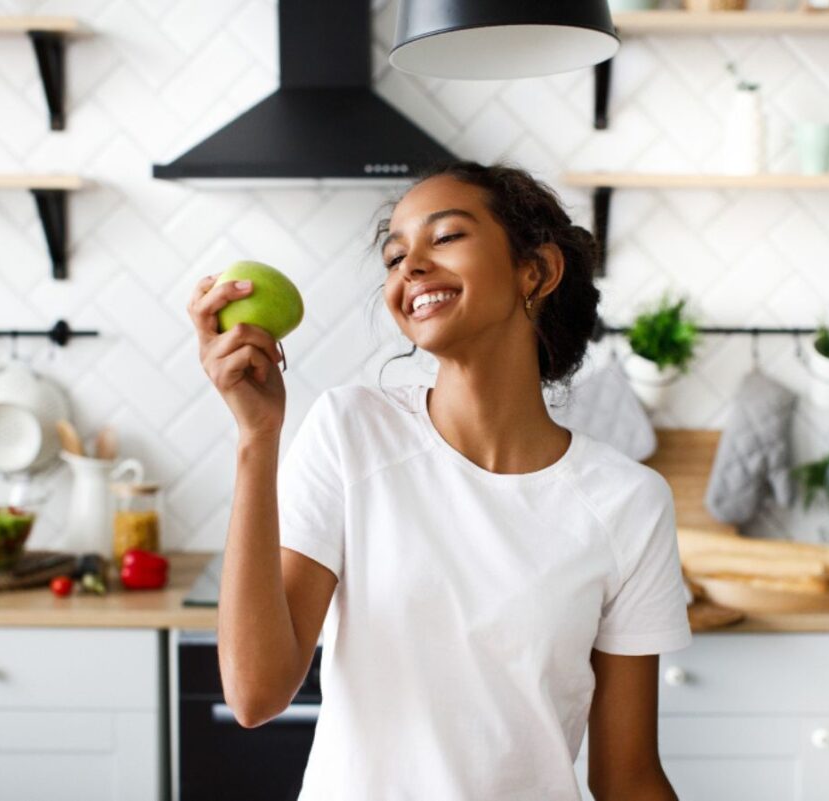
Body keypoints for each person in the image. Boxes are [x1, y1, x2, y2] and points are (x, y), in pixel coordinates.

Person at [187, 161, 692, 800]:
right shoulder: (351, 430)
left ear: (535, 270)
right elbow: (255, 694)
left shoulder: (628, 502)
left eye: (445, 236)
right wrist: (256, 438)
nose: (410, 268)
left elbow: (629, 778)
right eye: (395, 257)